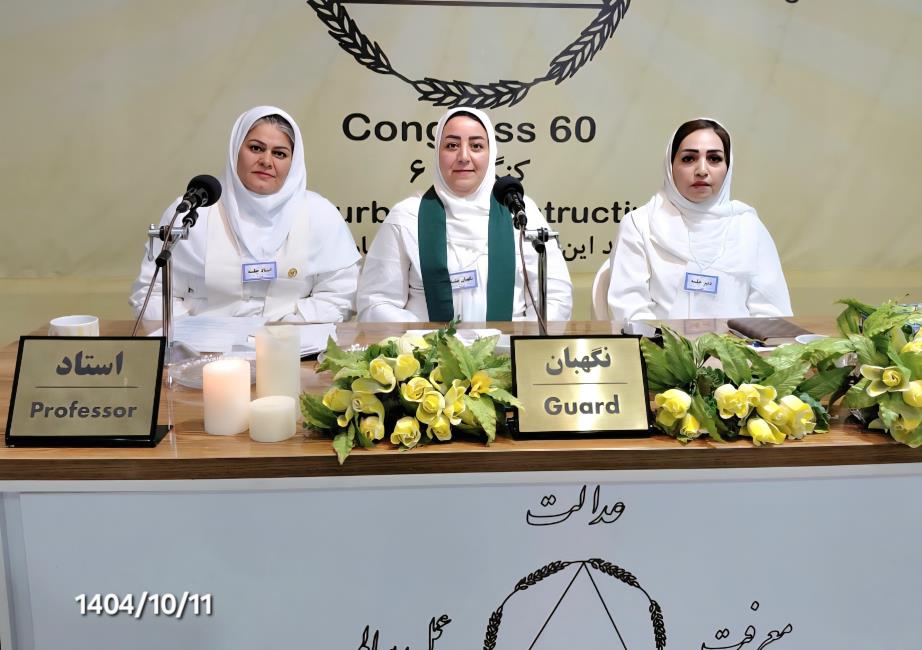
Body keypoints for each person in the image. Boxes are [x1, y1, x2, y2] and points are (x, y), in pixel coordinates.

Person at [130, 106, 360, 322]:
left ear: (294, 162)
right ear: (235, 151)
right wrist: (194, 334)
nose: (266, 161)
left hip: (295, 343)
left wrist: (284, 332)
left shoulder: (319, 214)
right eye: (256, 148)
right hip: (202, 346)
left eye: (279, 154)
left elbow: (340, 295)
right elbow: (152, 293)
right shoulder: (194, 210)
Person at [356, 107, 572, 322]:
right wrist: (423, 337)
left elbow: (555, 298)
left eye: (476, 146)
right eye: (452, 146)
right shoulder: (407, 217)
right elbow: (376, 303)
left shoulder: (520, 214)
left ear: (491, 153)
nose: (464, 157)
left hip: (508, 343)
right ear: (437, 152)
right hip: (426, 344)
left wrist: (515, 338)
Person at [607, 118, 792, 322]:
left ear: (728, 167)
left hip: (740, 342)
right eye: (689, 159)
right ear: (670, 166)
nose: (702, 170)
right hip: (661, 342)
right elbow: (630, 311)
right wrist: (672, 342)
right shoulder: (640, 224)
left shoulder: (748, 226)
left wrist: (734, 344)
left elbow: (772, 312)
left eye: (714, 158)